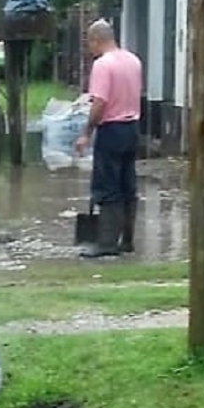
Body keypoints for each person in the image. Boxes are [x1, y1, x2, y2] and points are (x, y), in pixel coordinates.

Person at [74, 19, 143, 258]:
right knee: (128, 185)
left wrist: (86, 132)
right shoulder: (133, 60)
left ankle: (106, 243)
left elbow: (100, 103)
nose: (89, 49)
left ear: (96, 40)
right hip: (132, 128)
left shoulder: (103, 65)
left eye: (89, 44)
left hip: (111, 130)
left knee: (108, 185)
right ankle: (128, 240)